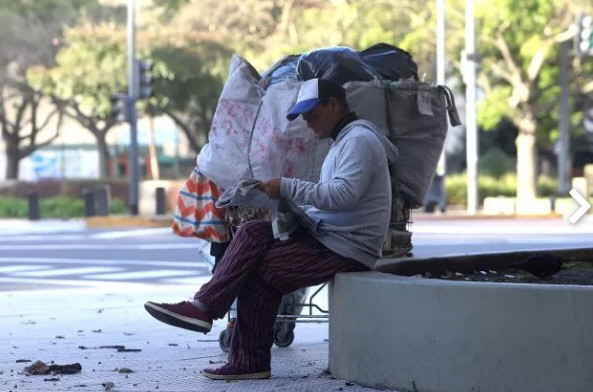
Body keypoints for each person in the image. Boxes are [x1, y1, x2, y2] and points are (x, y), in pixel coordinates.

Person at [144, 78, 398, 381]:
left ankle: (247, 358)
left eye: (313, 114)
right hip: (329, 235)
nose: (308, 122)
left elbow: (342, 196)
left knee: (263, 274)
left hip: (347, 247)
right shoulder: (344, 140)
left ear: (334, 104)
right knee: (253, 231)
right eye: (304, 116)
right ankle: (204, 306)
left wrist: (287, 187)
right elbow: (335, 197)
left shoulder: (359, 141)